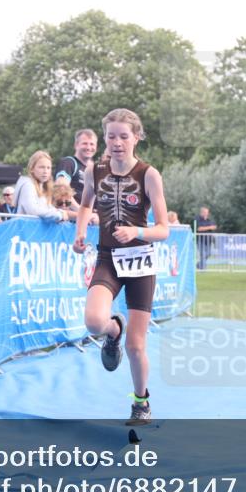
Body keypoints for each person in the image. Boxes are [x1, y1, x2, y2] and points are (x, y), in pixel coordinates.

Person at [73, 108, 170, 426]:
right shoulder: (94, 171)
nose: (117, 142)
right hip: (107, 258)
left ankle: (141, 402)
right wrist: (80, 233)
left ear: (136, 138)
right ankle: (113, 328)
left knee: (136, 345)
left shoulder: (149, 174)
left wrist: (137, 232)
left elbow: (164, 229)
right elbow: (86, 204)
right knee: (93, 321)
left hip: (140, 262)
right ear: (105, 138)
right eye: (111, 136)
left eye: (123, 136)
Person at [13, 150, 70, 222]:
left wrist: (59, 212)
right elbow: (32, 210)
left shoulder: (43, 187)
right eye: (41, 167)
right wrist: (58, 215)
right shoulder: (28, 185)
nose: (45, 171)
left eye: (48, 168)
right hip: (23, 230)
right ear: (32, 169)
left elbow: (47, 209)